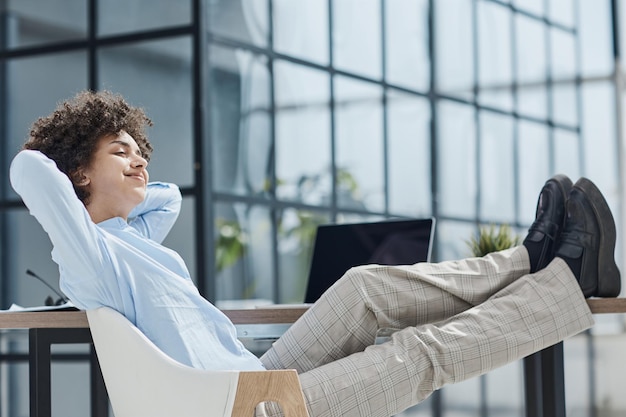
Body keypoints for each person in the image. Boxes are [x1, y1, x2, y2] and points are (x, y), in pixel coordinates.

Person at [9, 90, 621, 417]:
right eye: (120, 151)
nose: (141, 159)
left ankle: (526, 262)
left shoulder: (132, 239)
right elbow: (29, 169)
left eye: (138, 147)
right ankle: (567, 281)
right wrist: (72, 166)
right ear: (76, 178)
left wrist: (117, 161)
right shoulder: (90, 258)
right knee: (416, 356)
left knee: (361, 287)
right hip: (244, 409)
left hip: (253, 374)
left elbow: (162, 199)